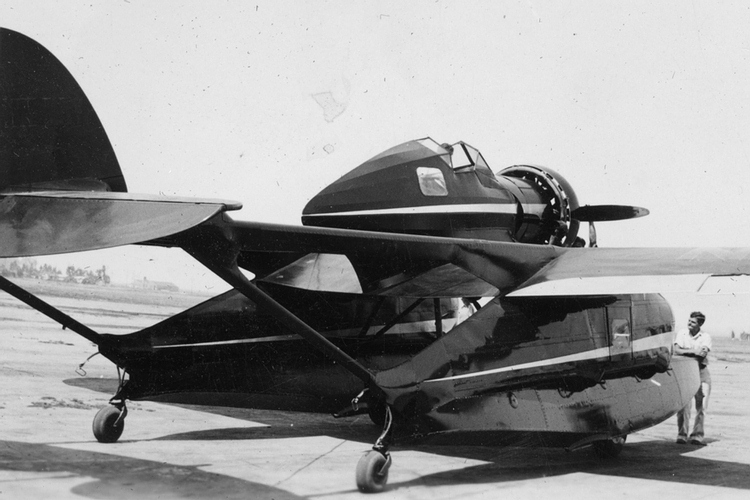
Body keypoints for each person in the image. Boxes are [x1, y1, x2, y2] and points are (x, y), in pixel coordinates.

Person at [674, 311, 712, 445]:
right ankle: (682, 434)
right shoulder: (682, 333)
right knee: (683, 406)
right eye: (689, 321)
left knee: (702, 407)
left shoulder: (706, 337)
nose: (689, 323)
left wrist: (685, 352)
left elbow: (702, 354)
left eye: (693, 322)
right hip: (685, 373)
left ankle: (697, 435)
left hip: (701, 372)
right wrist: (694, 351)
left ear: (700, 324)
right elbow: (676, 350)